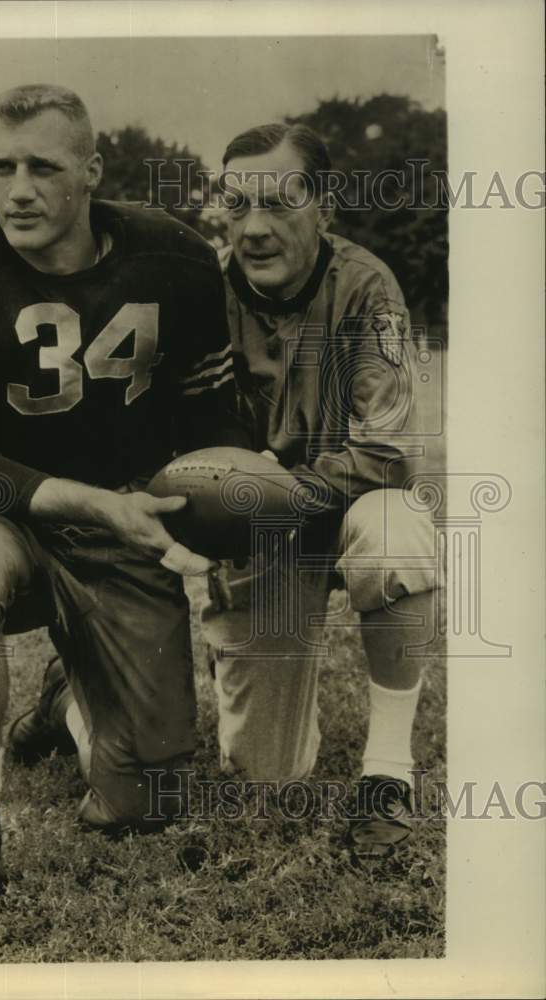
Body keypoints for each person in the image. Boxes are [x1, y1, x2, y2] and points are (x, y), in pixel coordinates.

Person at [0, 83, 249, 943]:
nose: (17, 190)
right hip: (6, 517)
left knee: (146, 800)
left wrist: (226, 493)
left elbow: (212, 415)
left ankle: (62, 703)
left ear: (91, 170)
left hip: (128, 523)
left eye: (42, 167)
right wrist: (99, 506)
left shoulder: (176, 258)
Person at [201, 122, 441, 856]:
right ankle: (67, 693)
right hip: (257, 534)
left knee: (396, 530)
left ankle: (387, 773)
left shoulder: (367, 286)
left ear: (327, 206)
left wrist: (281, 486)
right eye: (237, 206)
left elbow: (388, 452)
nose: (256, 228)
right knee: (265, 778)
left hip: (340, 508)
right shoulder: (200, 294)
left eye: (279, 202)